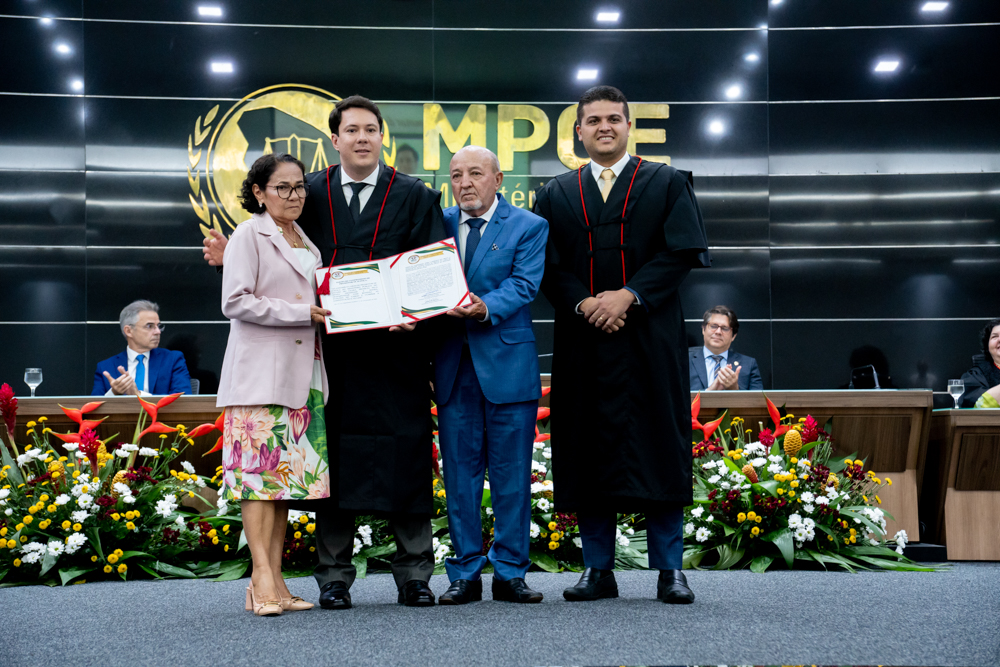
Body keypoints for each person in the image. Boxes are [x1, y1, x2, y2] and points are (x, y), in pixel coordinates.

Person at [203, 95, 444, 609]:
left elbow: (430, 269)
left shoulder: (416, 195)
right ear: (333, 140)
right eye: (351, 130)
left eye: (371, 130)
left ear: (383, 138)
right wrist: (233, 257)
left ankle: (415, 575)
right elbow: (273, 257)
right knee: (329, 464)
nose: (362, 138)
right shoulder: (306, 193)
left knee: (406, 458)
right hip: (325, 357)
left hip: (395, 353)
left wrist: (418, 316)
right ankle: (333, 577)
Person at [535, 85, 710, 604]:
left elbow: (681, 254)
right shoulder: (556, 193)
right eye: (593, 120)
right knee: (586, 449)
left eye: (613, 118)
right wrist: (588, 303)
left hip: (650, 341)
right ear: (579, 131)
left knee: (659, 445)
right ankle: (597, 569)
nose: (603, 127)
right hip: (583, 341)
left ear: (629, 126)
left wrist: (628, 296)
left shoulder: (667, 182)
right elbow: (548, 266)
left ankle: (670, 571)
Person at [216, 152, 330, 616]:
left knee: (281, 485)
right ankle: (259, 579)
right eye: (282, 187)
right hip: (260, 377)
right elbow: (235, 301)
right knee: (257, 483)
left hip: (304, 377)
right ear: (258, 192)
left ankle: (277, 582)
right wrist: (300, 312)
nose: (294, 195)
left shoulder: (304, 238)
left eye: (300, 186)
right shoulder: (249, 234)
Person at [433, 146, 548, 605]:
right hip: (452, 368)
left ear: (498, 179)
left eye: (475, 173)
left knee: (512, 476)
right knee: (460, 477)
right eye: (456, 175)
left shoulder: (529, 226)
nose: (465, 183)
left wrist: (485, 307)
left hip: (508, 366)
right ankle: (464, 573)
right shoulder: (436, 223)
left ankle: (510, 573)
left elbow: (524, 284)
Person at [91, 300, 191, 396]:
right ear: (129, 331)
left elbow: (183, 399)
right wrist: (114, 393)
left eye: (158, 326)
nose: (158, 332)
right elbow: (94, 408)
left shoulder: (172, 360)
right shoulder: (105, 367)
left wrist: (139, 395)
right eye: (149, 326)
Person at [688, 305, 763, 391]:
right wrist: (708, 393)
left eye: (725, 328)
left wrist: (734, 390)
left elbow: (758, 403)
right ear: (703, 329)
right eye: (713, 326)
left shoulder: (749, 365)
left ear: (733, 336)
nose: (718, 332)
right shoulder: (684, 360)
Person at [959, 317, 1000, 408]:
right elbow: (975, 403)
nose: (999, 340)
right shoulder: (974, 376)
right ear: (987, 345)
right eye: (994, 336)